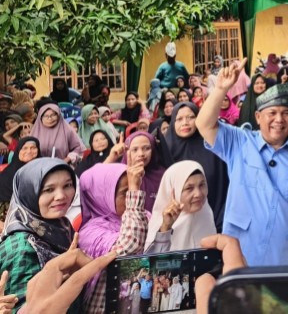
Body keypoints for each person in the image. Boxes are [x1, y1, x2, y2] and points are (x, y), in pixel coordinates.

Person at [197, 59, 288, 266]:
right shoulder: (239, 142)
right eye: (272, 113)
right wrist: (221, 88)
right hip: (243, 253)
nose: (279, 119)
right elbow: (203, 124)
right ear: (258, 116)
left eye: (286, 113)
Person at [0, 158, 76, 312]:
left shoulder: (59, 225)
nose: (61, 195)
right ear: (29, 193)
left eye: (67, 185)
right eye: (48, 189)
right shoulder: (23, 247)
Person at [79, 162, 148, 313]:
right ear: (102, 196)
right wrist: (135, 192)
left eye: (134, 187)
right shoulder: (89, 232)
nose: (131, 195)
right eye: (126, 192)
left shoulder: (139, 215)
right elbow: (130, 248)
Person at [162, 102, 228, 232]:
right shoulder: (164, 151)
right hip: (176, 226)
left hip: (214, 223)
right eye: (179, 119)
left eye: (191, 117)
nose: (185, 122)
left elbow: (223, 186)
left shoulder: (211, 148)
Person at [0, 137, 41, 227]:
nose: (29, 151)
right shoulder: (10, 172)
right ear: (18, 151)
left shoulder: (42, 169)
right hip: (7, 215)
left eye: (33, 148)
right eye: (25, 148)